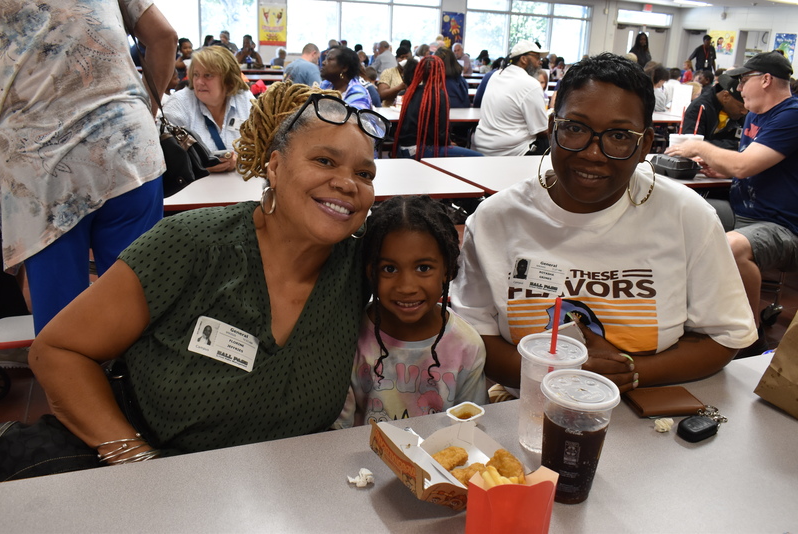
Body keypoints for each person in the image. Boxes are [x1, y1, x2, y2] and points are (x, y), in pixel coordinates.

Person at [26, 81, 390, 466]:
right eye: (325, 161)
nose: (348, 184)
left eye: (365, 174)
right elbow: (57, 351)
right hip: (151, 478)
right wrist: (137, 465)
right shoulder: (192, 244)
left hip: (282, 499)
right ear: (276, 166)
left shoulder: (362, 265)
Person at [452, 53, 755, 396]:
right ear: (552, 129)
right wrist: (556, 374)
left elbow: (724, 337)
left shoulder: (687, 216)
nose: (593, 153)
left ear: (644, 145)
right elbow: (476, 338)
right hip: (531, 412)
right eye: (576, 128)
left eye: (619, 136)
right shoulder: (496, 219)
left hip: (645, 418)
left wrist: (631, 373)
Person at [0, 0, 176, 334]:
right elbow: (164, 36)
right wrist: (143, 115)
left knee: (62, 329)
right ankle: (139, 384)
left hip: (41, 162)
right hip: (127, 147)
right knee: (142, 304)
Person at [665, 51, 798, 356]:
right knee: (679, 218)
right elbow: (743, 167)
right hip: (742, 212)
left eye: (743, 80)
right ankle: (685, 315)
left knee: (733, 247)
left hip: (783, 226)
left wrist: (700, 146)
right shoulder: (753, 116)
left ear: (766, 80)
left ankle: (751, 337)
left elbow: (742, 166)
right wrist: (717, 166)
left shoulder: (792, 115)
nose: (738, 88)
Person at [334, 195, 487, 428]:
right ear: (370, 271)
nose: (406, 287)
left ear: (446, 269)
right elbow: (337, 433)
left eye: (423, 268)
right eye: (389, 268)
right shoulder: (349, 336)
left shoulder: (467, 346)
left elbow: (471, 426)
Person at [163, 46, 254, 173]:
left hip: (241, 184)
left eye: (208, 75)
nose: (199, 82)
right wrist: (197, 166)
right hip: (193, 188)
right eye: (196, 74)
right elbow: (167, 159)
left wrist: (239, 160)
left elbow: (260, 148)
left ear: (228, 80)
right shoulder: (179, 104)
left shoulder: (244, 99)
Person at [392, 56, 481, 159]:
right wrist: (449, 144)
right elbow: (441, 134)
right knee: (479, 157)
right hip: (420, 150)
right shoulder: (439, 95)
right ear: (441, 73)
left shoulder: (410, 92)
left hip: (402, 149)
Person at [472, 40, 548, 156]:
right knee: (551, 142)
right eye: (537, 57)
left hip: (482, 146)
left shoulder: (496, 75)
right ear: (524, 59)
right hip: (511, 151)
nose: (540, 62)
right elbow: (542, 129)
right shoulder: (531, 84)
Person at [680, 74, 747, 150]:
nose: (744, 112)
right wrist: (736, 145)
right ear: (726, 96)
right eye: (741, 106)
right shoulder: (699, 108)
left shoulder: (739, 113)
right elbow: (692, 143)